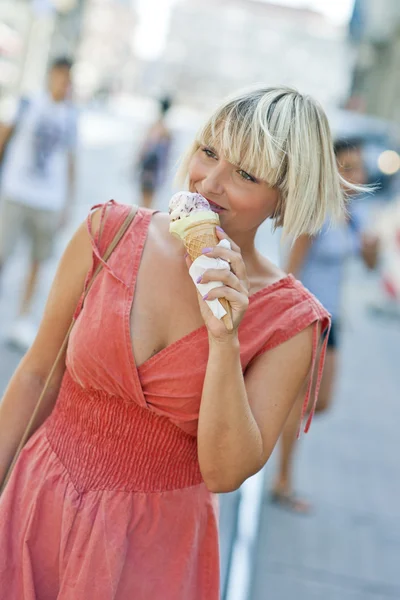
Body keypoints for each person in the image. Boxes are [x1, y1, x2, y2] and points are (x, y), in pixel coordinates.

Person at [0, 87, 354, 599]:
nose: (209, 183)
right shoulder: (110, 232)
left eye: (245, 175)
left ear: (286, 197)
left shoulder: (290, 322)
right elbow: (37, 374)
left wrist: (225, 337)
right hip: (37, 501)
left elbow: (225, 471)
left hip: (152, 550)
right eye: (209, 151)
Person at [271, 137, 379, 513]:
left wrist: (372, 247)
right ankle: (282, 481)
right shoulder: (318, 215)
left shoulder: (355, 216)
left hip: (333, 321)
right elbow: (290, 269)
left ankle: (270, 421)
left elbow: (368, 266)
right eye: (345, 167)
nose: (353, 175)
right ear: (330, 171)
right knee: (301, 401)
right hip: (307, 320)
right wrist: (281, 319)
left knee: (322, 401)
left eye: (358, 168)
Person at [0, 56, 78, 350]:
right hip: (17, 192)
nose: (62, 82)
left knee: (37, 260)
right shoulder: (28, 104)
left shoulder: (71, 116)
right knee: (2, 254)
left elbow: (71, 161)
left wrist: (67, 204)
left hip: (48, 200)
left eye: (67, 77)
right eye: (59, 76)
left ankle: (22, 318)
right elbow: (3, 137)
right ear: (50, 76)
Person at [136, 95, 172, 209]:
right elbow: (167, 155)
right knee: (149, 201)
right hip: (157, 170)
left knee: (144, 201)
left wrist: (138, 162)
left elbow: (146, 148)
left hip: (149, 168)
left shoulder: (156, 127)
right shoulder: (167, 130)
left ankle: (142, 223)